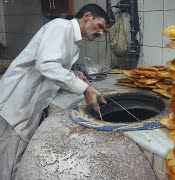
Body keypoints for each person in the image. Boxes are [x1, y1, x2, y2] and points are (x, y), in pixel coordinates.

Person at [0, 4, 111, 180]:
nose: (101, 33)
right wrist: (85, 89)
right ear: (88, 16)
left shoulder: (71, 38)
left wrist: (73, 74)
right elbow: (46, 65)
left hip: (29, 103)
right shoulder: (60, 26)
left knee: (13, 160)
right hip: (16, 103)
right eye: (100, 27)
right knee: (7, 163)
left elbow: (52, 63)